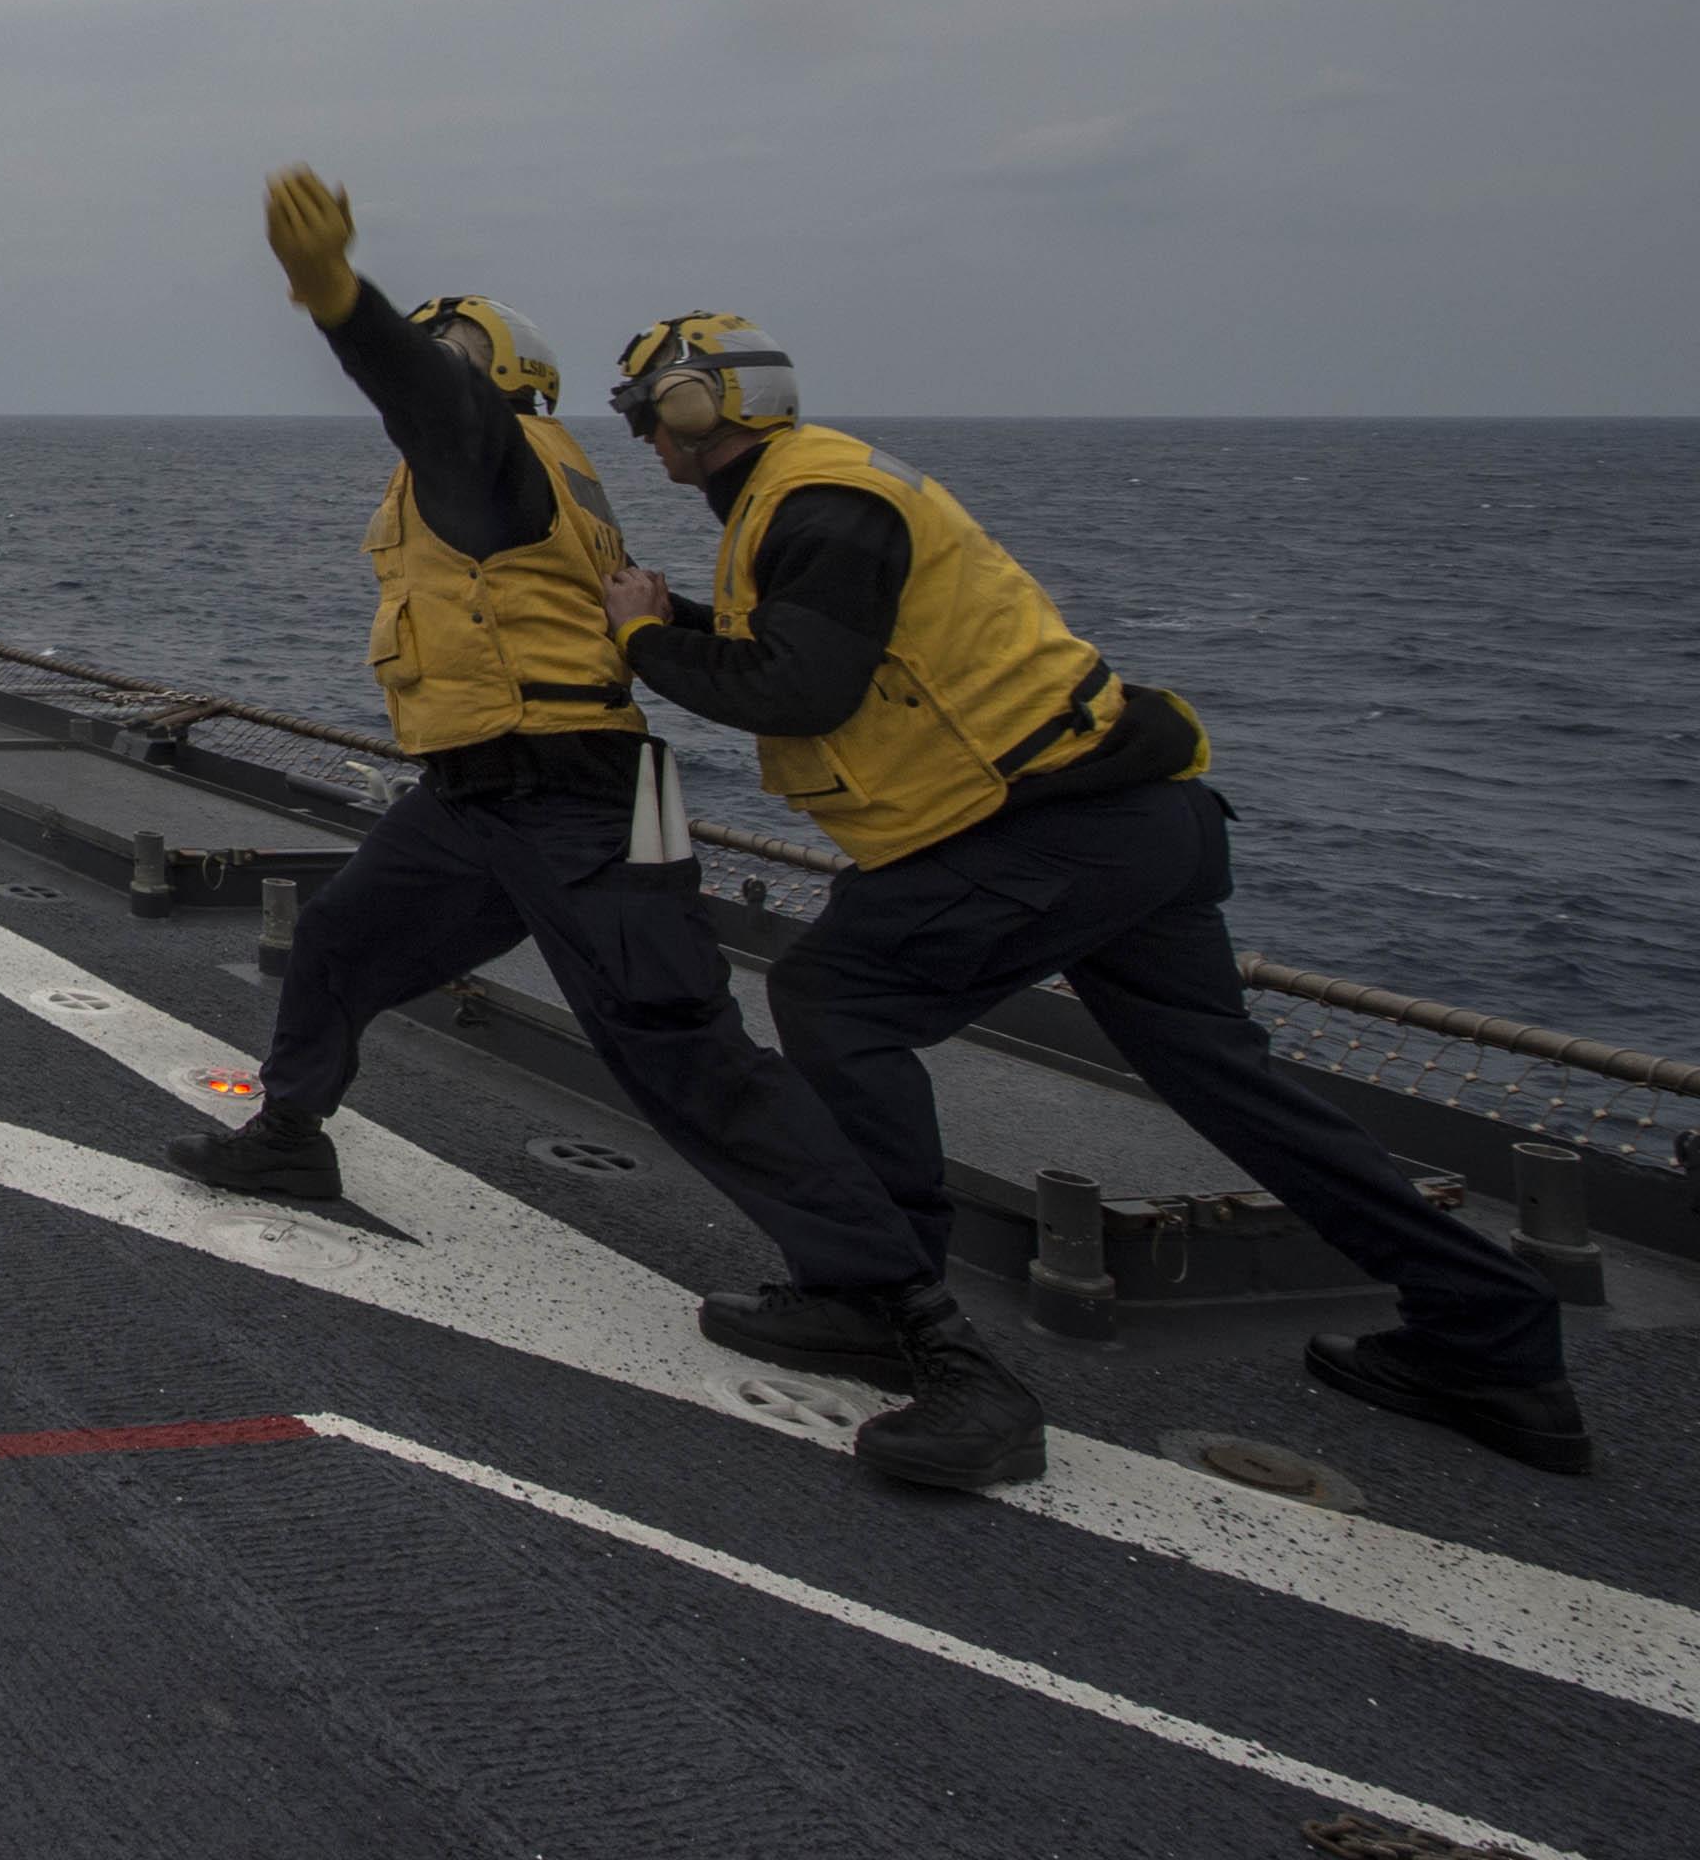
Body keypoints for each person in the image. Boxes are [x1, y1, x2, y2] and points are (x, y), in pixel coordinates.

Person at [172, 175, 1050, 1491]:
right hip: (477, 797)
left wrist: (334, 298)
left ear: (487, 374)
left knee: (683, 1052)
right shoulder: (503, 475)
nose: (429, 368)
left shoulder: (490, 451)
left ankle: (933, 1339)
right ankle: (292, 1133)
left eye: (445, 350)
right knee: (341, 944)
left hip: (579, 800)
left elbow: (424, 390)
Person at [599, 313, 1590, 1477]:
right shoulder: (829, 493)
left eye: (642, 416)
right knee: (1231, 1087)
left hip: (1050, 829)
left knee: (837, 995)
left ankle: (880, 1300)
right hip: (1136, 817)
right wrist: (678, 623)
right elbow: (835, 653)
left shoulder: (814, 508)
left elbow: (804, 689)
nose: (644, 443)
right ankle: (1498, 1338)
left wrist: (644, 646)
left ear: (695, 407)